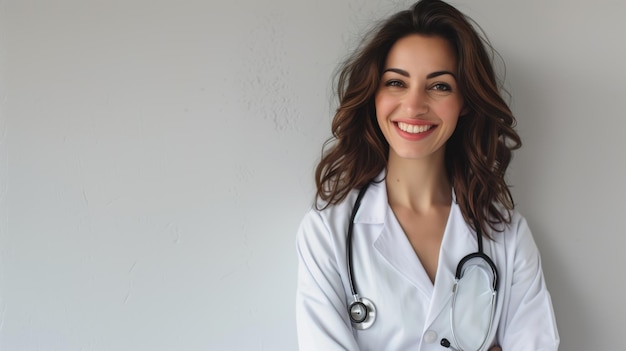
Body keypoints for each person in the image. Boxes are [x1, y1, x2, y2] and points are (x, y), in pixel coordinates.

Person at [295, 0, 559, 350]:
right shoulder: (327, 233)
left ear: (464, 101)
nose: (415, 105)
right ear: (374, 94)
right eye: (396, 83)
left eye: (439, 86)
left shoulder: (506, 234)